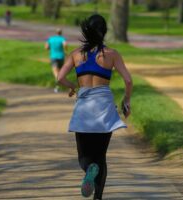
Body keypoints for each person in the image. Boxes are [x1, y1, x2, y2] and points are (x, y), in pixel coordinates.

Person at [57, 14, 132, 200]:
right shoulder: (112, 54)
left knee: (84, 156)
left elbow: (59, 78)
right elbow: (128, 80)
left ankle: (88, 169)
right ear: (104, 31)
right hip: (104, 109)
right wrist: (126, 100)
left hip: (84, 109)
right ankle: (97, 197)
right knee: (101, 156)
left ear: (86, 30)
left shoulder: (76, 54)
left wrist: (72, 87)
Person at [45, 28, 67, 93]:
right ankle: (58, 86)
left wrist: (50, 48)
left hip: (53, 57)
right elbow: (65, 44)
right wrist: (65, 50)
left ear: (55, 32)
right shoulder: (62, 38)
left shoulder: (51, 38)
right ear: (61, 32)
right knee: (59, 71)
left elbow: (46, 47)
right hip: (61, 57)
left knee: (55, 71)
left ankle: (57, 82)